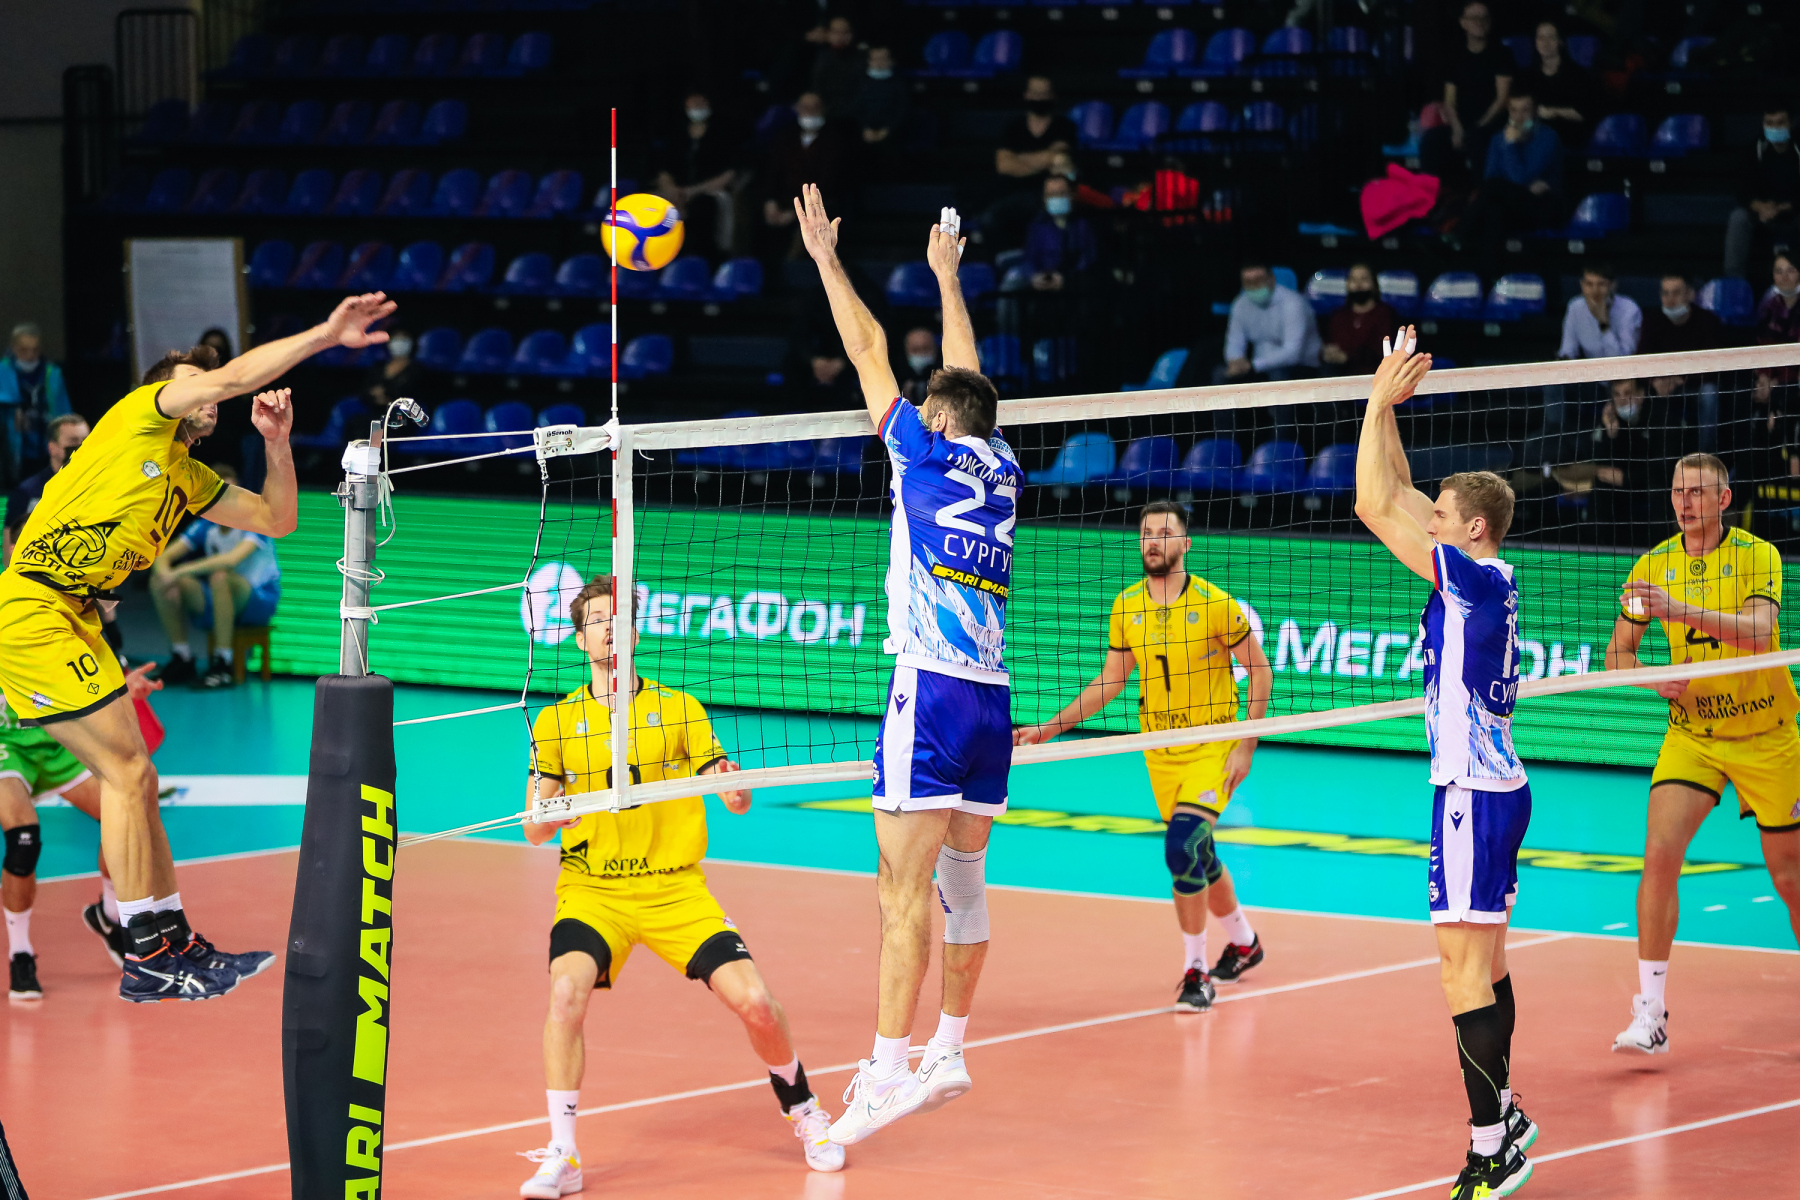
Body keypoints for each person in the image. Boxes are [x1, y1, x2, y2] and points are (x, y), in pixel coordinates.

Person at [0, 290, 392, 1002]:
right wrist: (326, 334)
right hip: (33, 607)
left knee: (140, 778)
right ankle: (145, 953)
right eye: (195, 381)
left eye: (206, 383)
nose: (208, 391)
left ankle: (173, 938)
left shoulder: (187, 477)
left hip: (75, 615)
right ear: (168, 392)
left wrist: (276, 443)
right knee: (125, 773)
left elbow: (277, 519)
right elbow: (233, 378)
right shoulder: (138, 416)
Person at [794, 185, 1017, 1146]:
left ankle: (886, 1072)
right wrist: (947, 279)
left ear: (935, 418)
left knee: (898, 892)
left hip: (927, 689)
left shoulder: (920, 455)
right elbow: (970, 381)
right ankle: (949, 1048)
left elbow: (868, 350)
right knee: (962, 885)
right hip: (992, 701)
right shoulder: (1003, 464)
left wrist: (825, 261)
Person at [514, 575, 843, 1196]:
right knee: (565, 995)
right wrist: (556, 815)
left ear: (636, 633)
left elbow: (728, 789)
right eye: (597, 621)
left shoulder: (681, 709)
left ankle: (803, 1108)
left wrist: (733, 789)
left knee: (756, 1003)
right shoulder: (555, 722)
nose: (609, 629)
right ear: (580, 638)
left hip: (676, 891)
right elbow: (533, 828)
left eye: (619, 619)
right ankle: (563, 1152)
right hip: (593, 892)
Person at [1353, 327, 1538, 1200]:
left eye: (1441, 517)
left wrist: (1369, 403)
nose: (1427, 521)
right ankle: (1508, 1119)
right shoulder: (1484, 574)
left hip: (1471, 792)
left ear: (1474, 529)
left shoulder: (1471, 579)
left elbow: (1370, 504)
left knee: (1460, 974)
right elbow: (1396, 492)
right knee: (1487, 966)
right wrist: (1391, 407)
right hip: (1496, 788)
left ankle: (1490, 1148)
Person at [1014, 501, 1273, 1010]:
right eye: (1146, 533)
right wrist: (1049, 728)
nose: (1153, 540)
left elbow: (1260, 671)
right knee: (1198, 852)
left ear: (1185, 544)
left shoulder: (1216, 604)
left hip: (1213, 748)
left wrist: (1247, 744)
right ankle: (1245, 943)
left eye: (1165, 532)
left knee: (1181, 846)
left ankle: (1196, 971)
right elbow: (1110, 681)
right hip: (1159, 752)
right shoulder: (1127, 604)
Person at [1605, 453, 1800, 1054]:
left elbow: (1758, 633)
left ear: (1723, 499)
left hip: (1767, 735)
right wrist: (1650, 678)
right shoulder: (1652, 566)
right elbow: (1618, 655)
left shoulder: (1758, 556)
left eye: (1697, 492)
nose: (1685, 503)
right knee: (1659, 855)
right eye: (1677, 492)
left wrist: (1676, 609)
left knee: (1791, 878)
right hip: (1693, 735)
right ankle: (1650, 1014)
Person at [2, 662, 208, 999]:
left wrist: (122, 684)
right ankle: (20, 953)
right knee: (23, 840)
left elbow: (79, 654)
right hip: (6, 746)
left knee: (127, 816)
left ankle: (109, 914)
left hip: (56, 735)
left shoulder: (39, 629)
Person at [149, 463, 281, 690]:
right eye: (221, 493)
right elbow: (162, 557)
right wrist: (166, 575)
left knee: (220, 577)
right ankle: (181, 657)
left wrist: (179, 571)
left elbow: (230, 561)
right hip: (219, 598)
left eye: (232, 492)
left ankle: (223, 664)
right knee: (160, 581)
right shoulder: (205, 525)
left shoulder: (255, 520)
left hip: (259, 599)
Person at [1552, 378, 1690, 545]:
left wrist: (1627, 478)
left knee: (1657, 489)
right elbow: (1600, 463)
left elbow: (1664, 468)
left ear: (1641, 394)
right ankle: (1600, 548)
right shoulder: (1612, 419)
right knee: (1602, 485)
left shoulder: (1662, 418)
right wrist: (1610, 434)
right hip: (1623, 483)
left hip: (1655, 482)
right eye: (1617, 394)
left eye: (1627, 393)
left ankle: (1660, 550)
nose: (1622, 400)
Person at [1456, 94, 1565, 269]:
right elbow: (1490, 177)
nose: (1518, 117)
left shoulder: (1548, 137)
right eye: (1514, 110)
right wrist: (1513, 186)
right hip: (1509, 204)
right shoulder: (1498, 138)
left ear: (1535, 112)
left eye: (1525, 110)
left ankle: (1461, 232)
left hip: (1541, 205)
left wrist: (1510, 145)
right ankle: (1489, 274)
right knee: (1494, 211)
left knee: (1495, 190)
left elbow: (1519, 179)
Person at [983, 77, 1079, 248]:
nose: (1039, 98)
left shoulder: (1064, 126)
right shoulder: (1013, 128)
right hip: (1012, 194)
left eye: (1044, 94)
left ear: (1053, 96)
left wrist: (1018, 158)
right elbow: (1004, 166)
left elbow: (1058, 158)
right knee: (989, 218)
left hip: (1049, 195)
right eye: (1035, 93)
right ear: (1026, 95)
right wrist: (1045, 159)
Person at [1421, 2, 1513, 181]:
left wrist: (1478, 127)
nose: (1480, 22)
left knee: (1477, 139)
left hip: (1491, 123)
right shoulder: (1454, 55)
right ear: (1463, 23)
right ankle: (1431, 192)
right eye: (1474, 18)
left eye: (1484, 18)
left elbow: (1502, 99)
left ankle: (1480, 192)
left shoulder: (1502, 54)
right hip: (1462, 123)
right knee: (1431, 139)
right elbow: (1449, 100)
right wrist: (1457, 129)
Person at [1640, 274, 1726, 447]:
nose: (1670, 299)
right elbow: (1641, 360)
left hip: (1693, 386)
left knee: (1709, 393)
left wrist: (1681, 379)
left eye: (1676, 293)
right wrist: (1654, 381)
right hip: (1660, 386)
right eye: (1665, 293)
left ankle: (1706, 456)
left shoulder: (1708, 321)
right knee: (1632, 393)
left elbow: (1714, 367)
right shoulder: (1652, 320)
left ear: (1690, 294)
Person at [654, 94, 743, 260]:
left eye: (701, 102)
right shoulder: (677, 133)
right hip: (675, 192)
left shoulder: (723, 133)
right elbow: (664, 169)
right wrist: (672, 191)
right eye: (693, 102)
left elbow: (729, 173)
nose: (696, 105)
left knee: (701, 209)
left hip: (708, 192)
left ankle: (698, 261)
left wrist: (692, 192)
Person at [762, 94, 850, 259]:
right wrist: (770, 201)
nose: (809, 112)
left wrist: (798, 211)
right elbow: (773, 172)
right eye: (804, 108)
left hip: (820, 203)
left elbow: (830, 182)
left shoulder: (835, 140)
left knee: (808, 225)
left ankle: (791, 267)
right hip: (785, 199)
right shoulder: (786, 137)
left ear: (823, 110)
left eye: (814, 108)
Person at [1724, 108, 1799, 284]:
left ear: (1790, 123)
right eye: (1769, 123)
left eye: (1780, 122)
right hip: (1762, 213)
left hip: (1793, 211)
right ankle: (1734, 283)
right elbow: (1742, 191)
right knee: (1738, 218)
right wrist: (1761, 207)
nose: (1775, 127)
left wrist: (1780, 208)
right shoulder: (1753, 149)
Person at [3, 414, 88, 567]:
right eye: (73, 441)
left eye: (86, 440)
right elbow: (9, 552)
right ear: (52, 447)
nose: (81, 447)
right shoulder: (27, 493)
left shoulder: (98, 487)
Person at [0, 323, 72, 488]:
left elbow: (64, 413)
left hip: (46, 449)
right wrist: (12, 412)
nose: (30, 355)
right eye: (24, 350)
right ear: (13, 348)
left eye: (35, 350)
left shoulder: (52, 374)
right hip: (12, 451)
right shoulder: (3, 372)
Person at [1516, 22, 1592, 146]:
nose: (1545, 42)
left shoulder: (1577, 74)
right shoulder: (1528, 75)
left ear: (1560, 41)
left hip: (1566, 133)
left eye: (1551, 37)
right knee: (1500, 140)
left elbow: (1584, 112)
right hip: (1534, 131)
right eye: (1541, 37)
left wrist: (1554, 112)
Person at [1022, 175, 1098, 293]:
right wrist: (1034, 277)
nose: (1057, 198)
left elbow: (1089, 259)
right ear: (1044, 198)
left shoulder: (1083, 226)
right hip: (1042, 288)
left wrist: (1067, 279)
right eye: (1052, 195)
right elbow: (1029, 259)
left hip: (1075, 288)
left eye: (1061, 193)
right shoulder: (1037, 227)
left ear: (1071, 195)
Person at [1322, 263, 1401, 374]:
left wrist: (1348, 357)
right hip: (1341, 374)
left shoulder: (1386, 314)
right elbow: (1329, 345)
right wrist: (1328, 353)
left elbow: (1383, 351)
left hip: (1374, 374)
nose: (1358, 285)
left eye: (1364, 279)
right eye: (1353, 280)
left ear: (1374, 283)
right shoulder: (1339, 316)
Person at [1559, 261, 1641, 360]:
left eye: (1601, 284)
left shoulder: (1629, 309)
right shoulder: (1575, 306)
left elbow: (1623, 359)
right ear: (1582, 285)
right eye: (1589, 284)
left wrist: (1603, 323)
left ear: (1612, 285)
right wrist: (1564, 358)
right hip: (1590, 367)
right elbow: (1568, 349)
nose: (1595, 291)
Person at [852, 45, 909, 175]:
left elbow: (903, 110)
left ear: (891, 61)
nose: (879, 63)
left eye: (883, 59)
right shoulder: (859, 83)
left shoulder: (900, 84)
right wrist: (864, 128)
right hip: (863, 133)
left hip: (892, 133)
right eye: (875, 59)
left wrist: (888, 129)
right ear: (869, 61)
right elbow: (854, 109)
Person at [809, 15, 862, 119]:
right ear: (827, 33)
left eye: (845, 32)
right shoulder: (817, 56)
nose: (840, 36)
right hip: (823, 112)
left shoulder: (862, 58)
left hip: (854, 113)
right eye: (836, 32)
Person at [362, 328, 424, 413]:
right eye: (396, 339)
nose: (399, 343)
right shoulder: (378, 366)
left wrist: (386, 394)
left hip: (403, 414)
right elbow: (365, 390)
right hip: (375, 410)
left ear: (412, 342)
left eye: (403, 339)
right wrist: (373, 395)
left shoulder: (417, 370)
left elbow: (412, 394)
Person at [897, 327, 939, 405]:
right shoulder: (895, 383)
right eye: (915, 350)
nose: (921, 353)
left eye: (926, 349)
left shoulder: (947, 380)